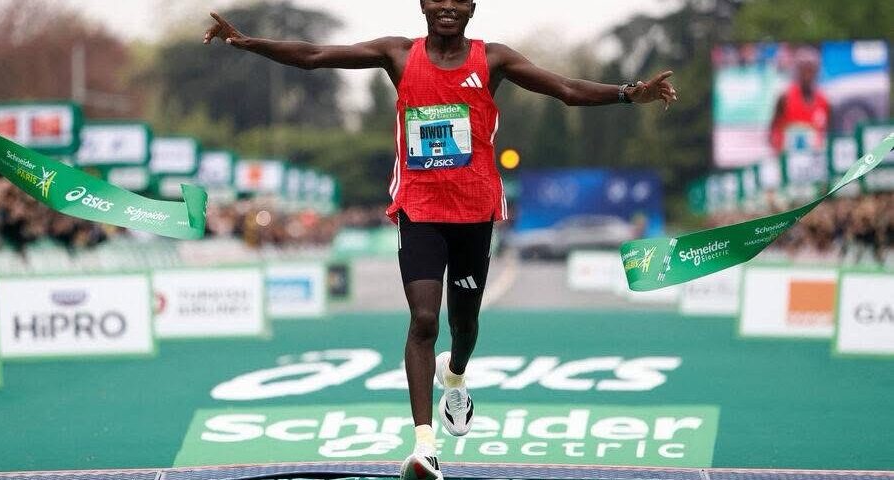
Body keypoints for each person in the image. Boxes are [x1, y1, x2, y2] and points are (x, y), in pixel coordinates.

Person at [204, 2, 676, 478]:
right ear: (423, 5)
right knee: (424, 320)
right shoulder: (398, 54)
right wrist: (246, 41)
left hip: (474, 211)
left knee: (463, 324)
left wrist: (627, 93)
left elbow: (566, 90)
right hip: (419, 207)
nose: (447, 6)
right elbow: (315, 56)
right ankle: (424, 446)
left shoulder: (493, 59)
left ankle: (455, 375)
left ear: (471, 7)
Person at [769, 46, 830, 154]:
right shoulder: (784, 98)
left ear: (816, 71)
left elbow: (826, 133)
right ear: (797, 71)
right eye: (803, 70)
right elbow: (772, 131)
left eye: (811, 70)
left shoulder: (823, 101)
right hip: (788, 157)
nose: (807, 75)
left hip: (813, 159)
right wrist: (780, 149)